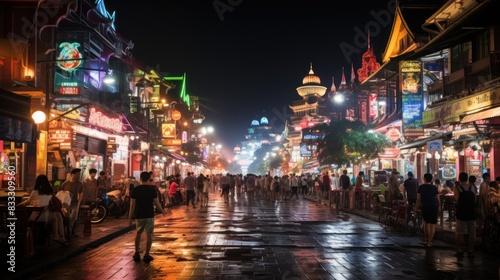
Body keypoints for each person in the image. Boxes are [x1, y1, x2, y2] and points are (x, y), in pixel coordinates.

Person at [18, 175, 67, 245]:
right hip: (45, 216)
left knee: (56, 215)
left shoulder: (34, 192)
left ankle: (59, 237)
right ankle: (59, 237)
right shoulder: (49, 193)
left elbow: (27, 202)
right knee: (57, 215)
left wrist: (19, 205)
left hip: (35, 217)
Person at [129, 171, 165, 263]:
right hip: (149, 214)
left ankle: (136, 252)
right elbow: (156, 203)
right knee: (149, 234)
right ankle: (146, 254)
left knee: (138, 233)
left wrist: (129, 218)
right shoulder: (152, 189)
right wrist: (162, 211)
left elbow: (132, 205)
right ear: (149, 179)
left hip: (139, 214)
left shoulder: (135, 190)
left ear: (140, 179)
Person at [454, 172, 478, 258]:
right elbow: (475, 199)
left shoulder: (457, 188)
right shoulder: (472, 187)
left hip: (461, 212)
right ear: (467, 179)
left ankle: (460, 251)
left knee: (460, 233)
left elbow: (457, 200)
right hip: (472, 212)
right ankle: (471, 251)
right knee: (472, 233)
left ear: (459, 179)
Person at [414, 173, 440, 248]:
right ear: (431, 179)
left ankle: (426, 239)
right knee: (432, 225)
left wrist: (415, 210)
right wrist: (440, 207)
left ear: (424, 179)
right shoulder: (434, 187)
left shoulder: (421, 187)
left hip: (425, 206)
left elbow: (418, 199)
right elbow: (438, 199)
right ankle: (430, 242)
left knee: (425, 223)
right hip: (433, 206)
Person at [60, 168, 83, 235]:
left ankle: (68, 231)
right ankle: (69, 231)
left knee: (73, 217)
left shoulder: (80, 184)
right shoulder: (65, 184)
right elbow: (60, 193)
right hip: (66, 204)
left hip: (75, 203)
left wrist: (79, 202)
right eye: (78, 174)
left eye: (79, 174)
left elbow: (81, 193)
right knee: (67, 217)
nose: (79, 176)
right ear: (73, 174)